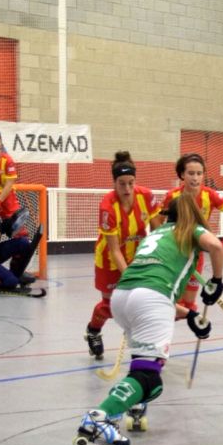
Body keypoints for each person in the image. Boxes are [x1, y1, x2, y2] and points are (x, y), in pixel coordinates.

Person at [74, 193, 223, 445]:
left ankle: (123, 411)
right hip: (149, 299)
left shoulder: (156, 234)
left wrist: (190, 317)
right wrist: (218, 281)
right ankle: (100, 416)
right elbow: (217, 246)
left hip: (123, 298)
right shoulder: (189, 228)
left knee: (141, 368)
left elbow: (155, 296)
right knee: (150, 379)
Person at [84, 151, 158, 360]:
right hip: (109, 261)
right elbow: (114, 249)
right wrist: (129, 276)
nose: (127, 189)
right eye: (122, 184)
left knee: (141, 302)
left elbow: (158, 232)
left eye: (131, 183)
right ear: (114, 182)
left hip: (138, 257)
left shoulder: (146, 197)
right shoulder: (108, 207)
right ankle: (93, 331)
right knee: (110, 305)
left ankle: (144, 344)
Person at [151, 153, 223, 313]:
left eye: (199, 173)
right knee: (169, 304)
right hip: (174, 253)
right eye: (190, 173)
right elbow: (156, 222)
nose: (195, 178)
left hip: (196, 254)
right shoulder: (172, 196)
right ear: (182, 174)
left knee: (187, 306)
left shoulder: (210, 195)